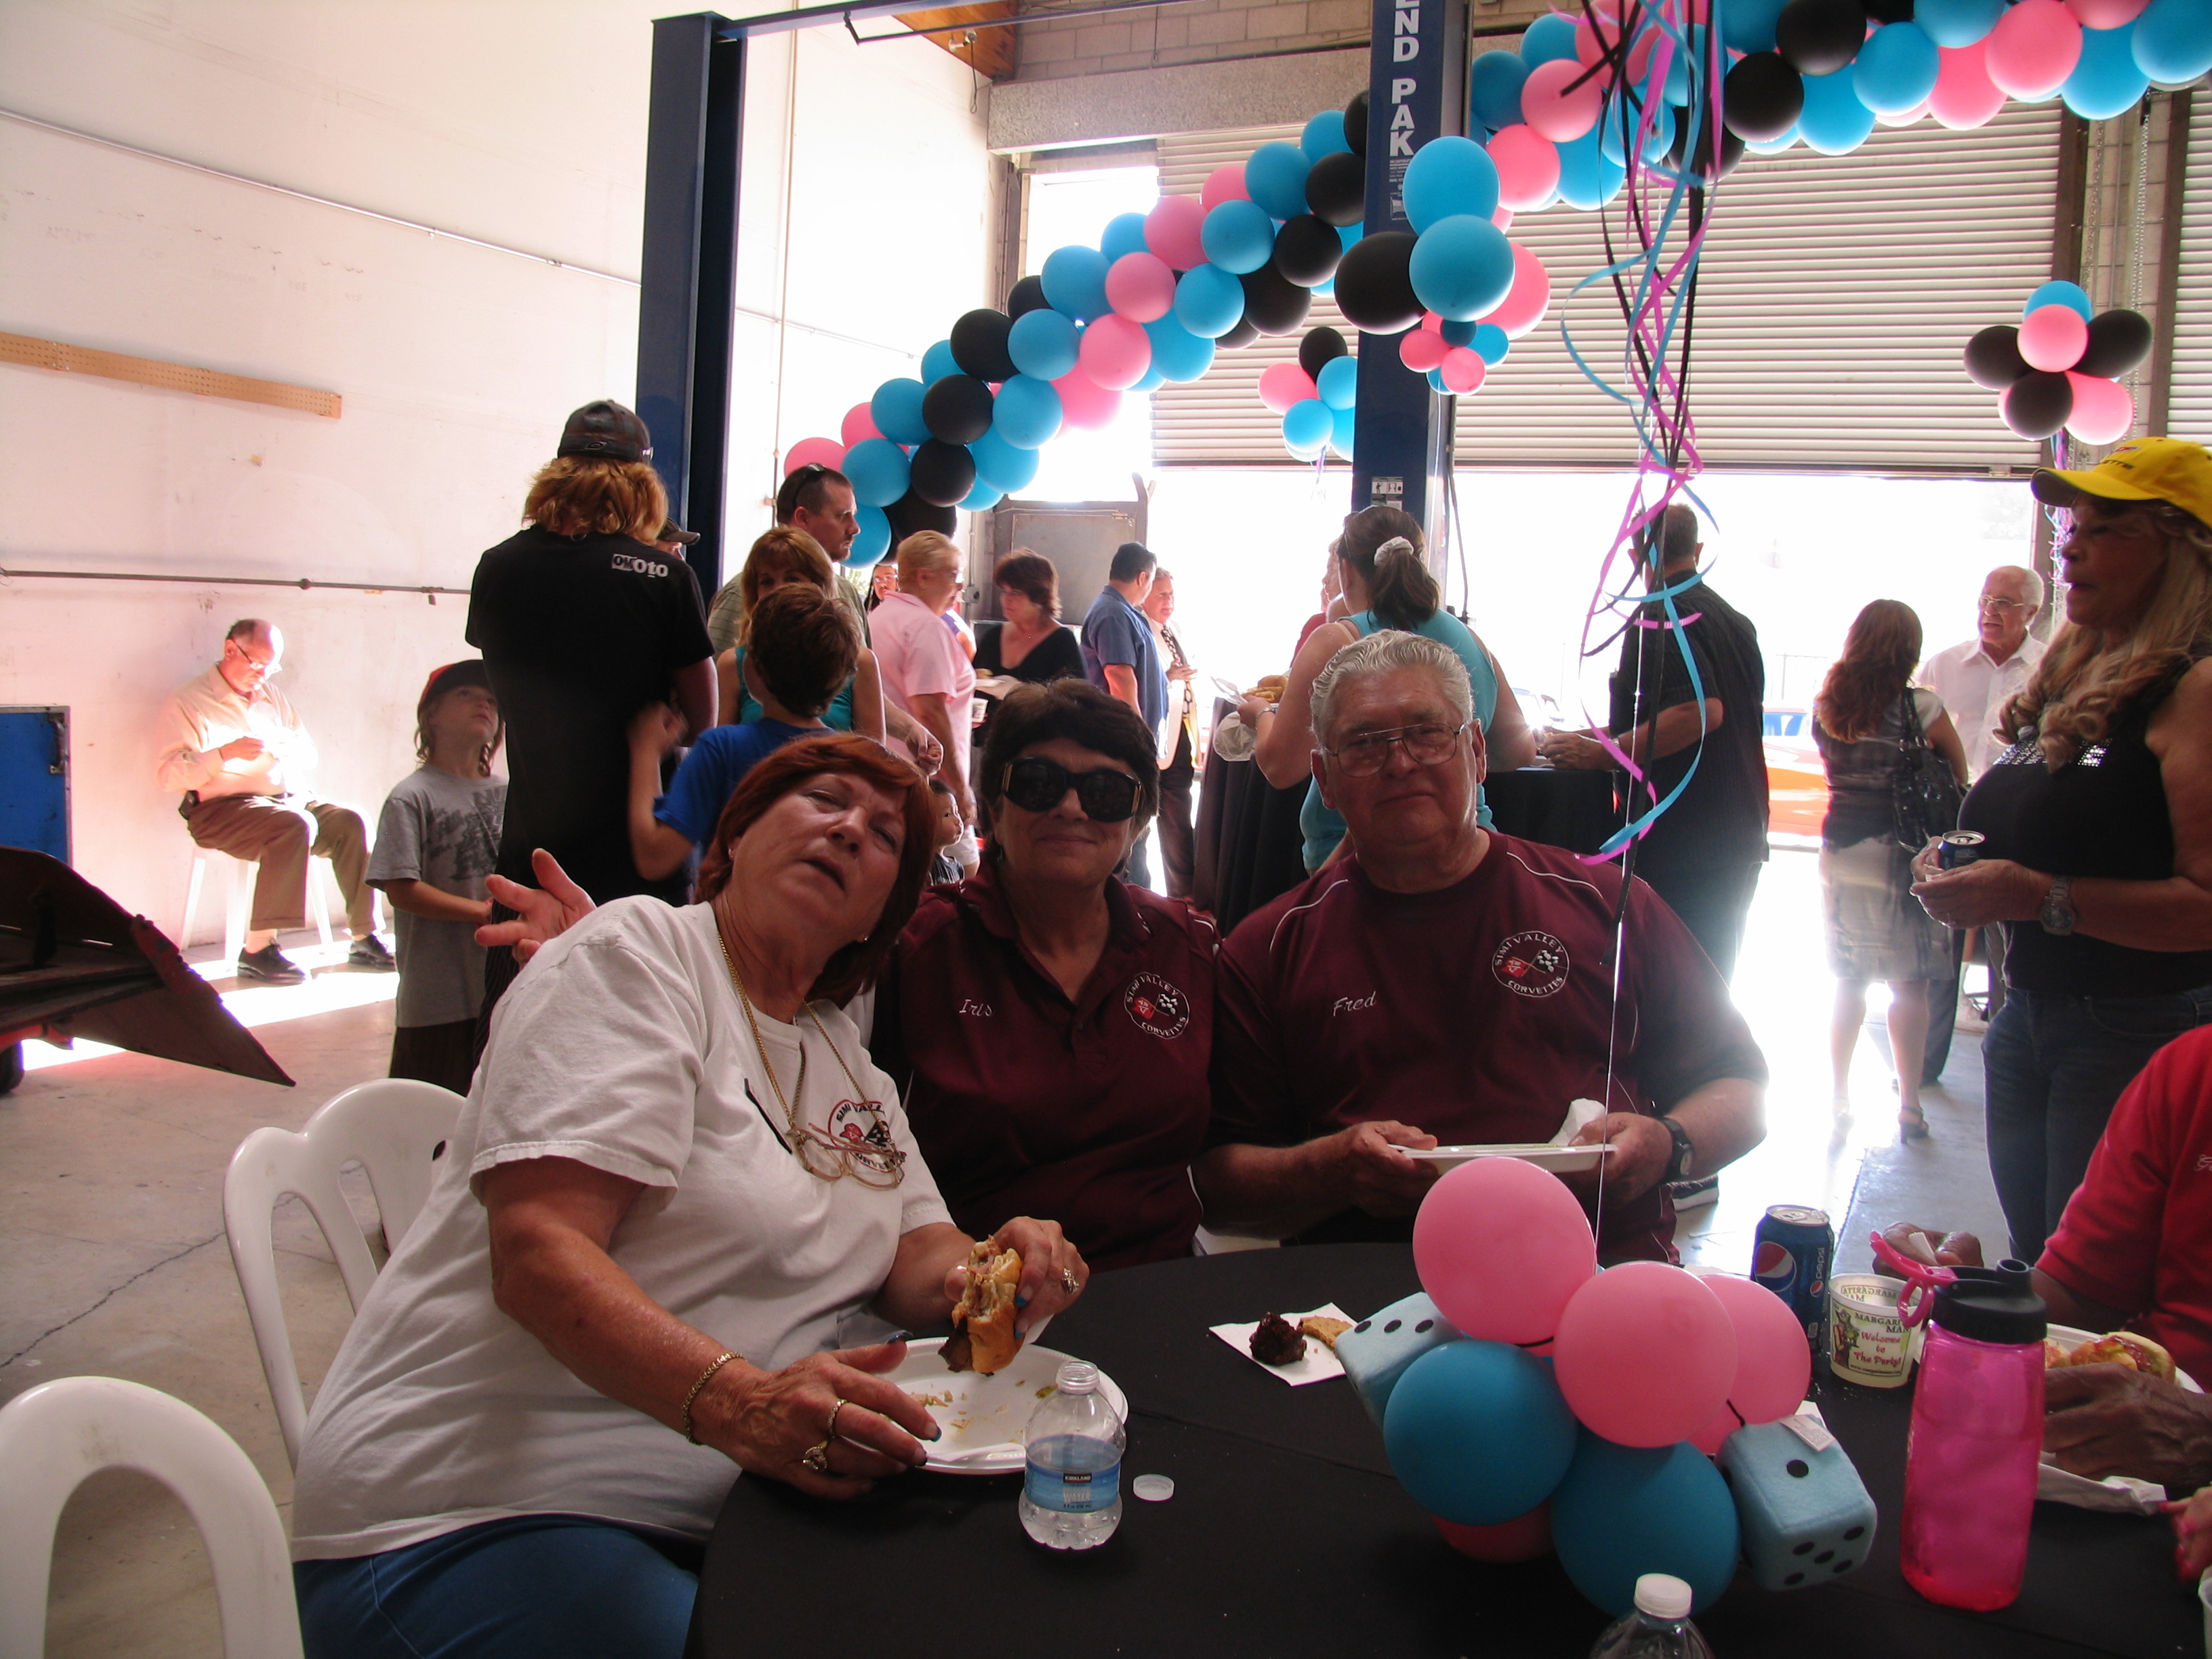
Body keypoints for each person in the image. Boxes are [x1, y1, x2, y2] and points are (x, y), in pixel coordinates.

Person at [289, 735, 1089, 1659]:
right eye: (824, 799)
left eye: (882, 836)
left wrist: (1004, 1263)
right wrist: (744, 1403)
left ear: (881, 915)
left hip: (735, 1513)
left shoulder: (847, 1066)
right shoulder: (636, 956)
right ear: (736, 836)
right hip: (481, 1506)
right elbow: (539, 1255)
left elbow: (919, 1253)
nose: (847, 830)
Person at [1196, 631, 1767, 1261]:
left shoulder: (1607, 905)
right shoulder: (1270, 950)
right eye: (1364, 744)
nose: (1401, 762)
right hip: (1363, 1308)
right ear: (1325, 781)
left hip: (1596, 1287)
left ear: (1475, 750)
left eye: (1426, 731)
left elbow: (1740, 1085)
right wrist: (1330, 1170)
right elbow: (1219, 1190)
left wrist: (1670, 1145)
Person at [1914, 437, 2212, 1263]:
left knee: (2094, 1285)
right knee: (2041, 1259)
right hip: (2032, 1014)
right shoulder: (2083, 676)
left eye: (2106, 527)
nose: (2070, 543)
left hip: (2133, 1027)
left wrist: (2035, 894)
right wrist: (1957, 860)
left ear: (2181, 549)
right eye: (2071, 523)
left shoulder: (2195, 685)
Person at [875, 680, 1216, 1269]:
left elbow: (1228, 1148)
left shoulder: (1187, 947)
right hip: (977, 1295)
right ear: (996, 808)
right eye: (1039, 784)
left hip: (1160, 1289)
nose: (1072, 808)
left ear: (1137, 821)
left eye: (1107, 792)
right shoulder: (915, 950)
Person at [1878, 1023, 2212, 1497]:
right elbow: (2083, 1289)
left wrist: (2204, 1430)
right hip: (2134, 1460)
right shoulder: (2192, 1069)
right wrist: (1964, 1288)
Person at [466, 398, 714, 923]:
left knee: (521, 1000)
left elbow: (512, 686)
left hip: (534, 859)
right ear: (642, 488)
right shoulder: (663, 577)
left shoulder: (498, 566)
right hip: (634, 864)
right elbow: (702, 719)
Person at [1541, 501, 1769, 981]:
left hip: (1687, 841)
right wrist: (1586, 738)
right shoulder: (1734, 621)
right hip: (1739, 831)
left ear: (1633, 555)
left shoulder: (1660, 612)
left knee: (1673, 985)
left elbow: (1699, 713)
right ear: (1698, 549)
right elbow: (1670, 715)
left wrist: (1605, 752)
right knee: (1711, 979)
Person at [1240, 506, 1534, 876]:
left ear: (1345, 570)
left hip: (1361, 860)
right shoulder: (1469, 639)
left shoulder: (1337, 640)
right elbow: (1518, 749)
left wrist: (1262, 715)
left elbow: (1281, 767)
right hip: (1468, 849)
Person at [1811, 601, 1969, 1139]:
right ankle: (1909, 1104)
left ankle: (1836, 1096)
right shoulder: (1922, 708)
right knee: (1910, 984)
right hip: (1903, 855)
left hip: (1842, 848)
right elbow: (1958, 775)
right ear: (1909, 650)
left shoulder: (1828, 706)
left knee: (1848, 981)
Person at [155, 618, 386, 983]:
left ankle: (364, 936)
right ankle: (258, 950)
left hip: (288, 799)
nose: (262, 674)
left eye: (272, 666)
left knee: (351, 820)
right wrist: (224, 754)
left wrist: (286, 750)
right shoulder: (189, 700)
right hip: (223, 809)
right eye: (257, 663)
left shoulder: (271, 697)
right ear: (231, 649)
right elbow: (169, 774)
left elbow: (309, 752)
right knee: (295, 826)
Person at [628, 584, 862, 884]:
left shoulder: (722, 750)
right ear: (841, 681)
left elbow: (655, 858)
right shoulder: (854, 759)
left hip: (730, 925)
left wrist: (645, 751)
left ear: (751, 669)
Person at [1915, 565, 2049, 1067]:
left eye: (2005, 603)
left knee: (2005, 935)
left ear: (2032, 613)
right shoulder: (1944, 666)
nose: (1990, 611)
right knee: (1941, 938)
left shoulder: (2048, 669)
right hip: (1949, 814)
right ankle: (1925, 1064)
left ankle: (2010, 1043)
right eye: (1986, 600)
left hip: (2016, 816)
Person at [367, 663, 507, 1097]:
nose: (484, 703)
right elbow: (399, 886)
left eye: (492, 699)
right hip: (437, 998)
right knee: (423, 1123)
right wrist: (481, 913)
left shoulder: (508, 794)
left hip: (500, 989)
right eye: (466, 694)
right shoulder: (407, 798)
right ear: (431, 716)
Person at [710, 527, 886, 741]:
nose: (779, 590)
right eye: (767, 581)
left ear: (819, 583)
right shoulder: (732, 664)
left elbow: (874, 758)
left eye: (792, 578)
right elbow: (720, 753)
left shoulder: (861, 661)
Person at [1081, 541, 1169, 888]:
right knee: (1128, 833)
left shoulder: (1124, 611)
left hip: (1130, 740)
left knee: (1138, 836)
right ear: (1143, 577)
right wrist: (1139, 742)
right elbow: (1120, 680)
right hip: (1120, 744)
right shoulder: (1113, 613)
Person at [872, 531, 977, 823]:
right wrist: (961, 789)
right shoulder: (925, 626)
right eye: (952, 575)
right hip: (926, 785)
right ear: (923, 577)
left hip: (886, 775)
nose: (958, 587)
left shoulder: (879, 617)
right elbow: (929, 711)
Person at [705, 464, 861, 652]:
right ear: (803, 518)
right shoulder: (742, 594)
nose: (855, 528)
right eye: (843, 516)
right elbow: (715, 676)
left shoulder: (847, 592)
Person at [1144, 566, 1204, 900]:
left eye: (1172, 594)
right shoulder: (1141, 629)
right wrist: (1168, 675)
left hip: (1179, 731)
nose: (1169, 602)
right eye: (1162, 595)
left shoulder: (1172, 629)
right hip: (1156, 733)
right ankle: (1174, 891)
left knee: (1179, 809)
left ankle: (1183, 892)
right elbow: (1142, 680)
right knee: (1166, 809)